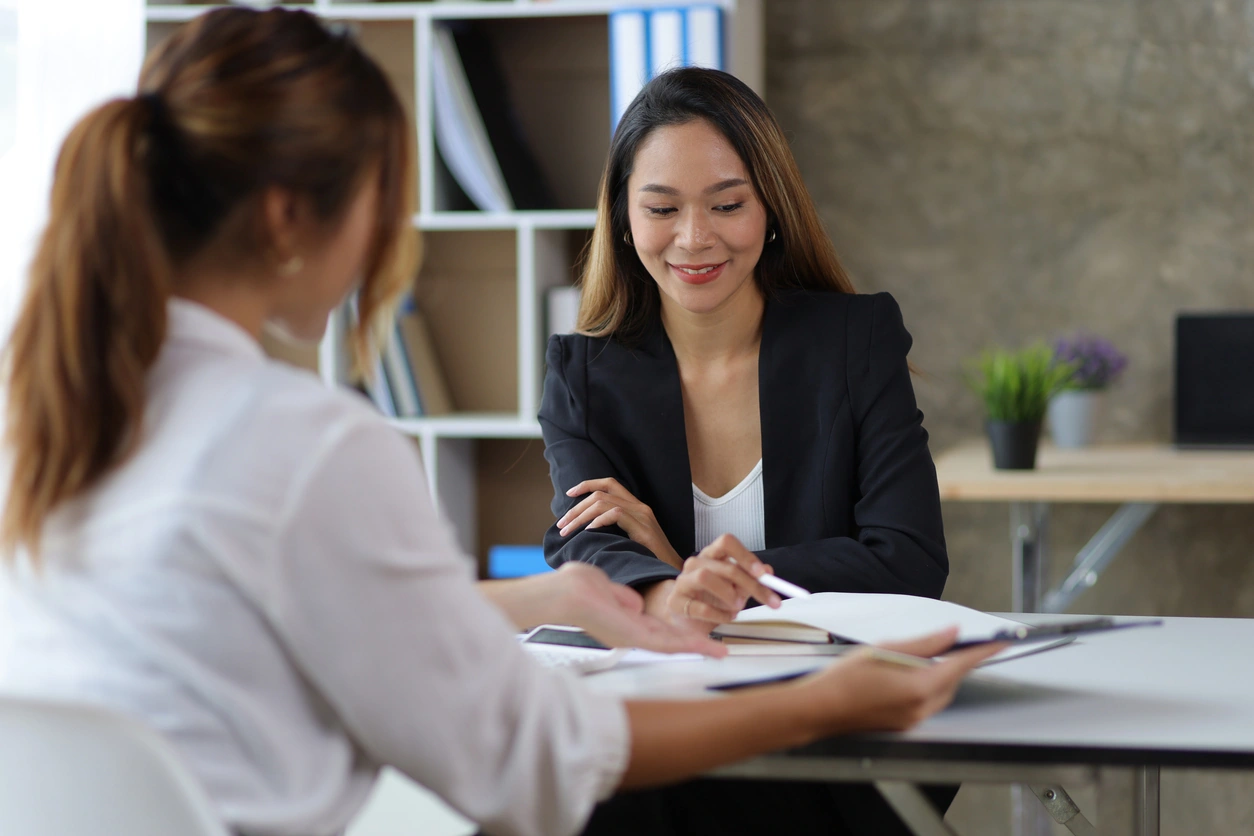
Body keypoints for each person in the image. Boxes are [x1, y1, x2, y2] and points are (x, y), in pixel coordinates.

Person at [0, 10, 999, 836]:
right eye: (382, 201)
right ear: (285, 218)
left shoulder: (53, 419)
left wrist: (541, 595)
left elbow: (293, 623)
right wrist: (827, 699)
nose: (386, 246)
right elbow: (536, 760)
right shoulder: (308, 445)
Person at [539, 67, 957, 833]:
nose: (694, 238)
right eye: (661, 208)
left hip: (836, 713)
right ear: (625, 222)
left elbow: (908, 556)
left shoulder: (853, 344)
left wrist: (706, 578)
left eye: (726, 205)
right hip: (677, 716)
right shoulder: (585, 375)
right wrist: (671, 593)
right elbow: (584, 545)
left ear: (770, 211)